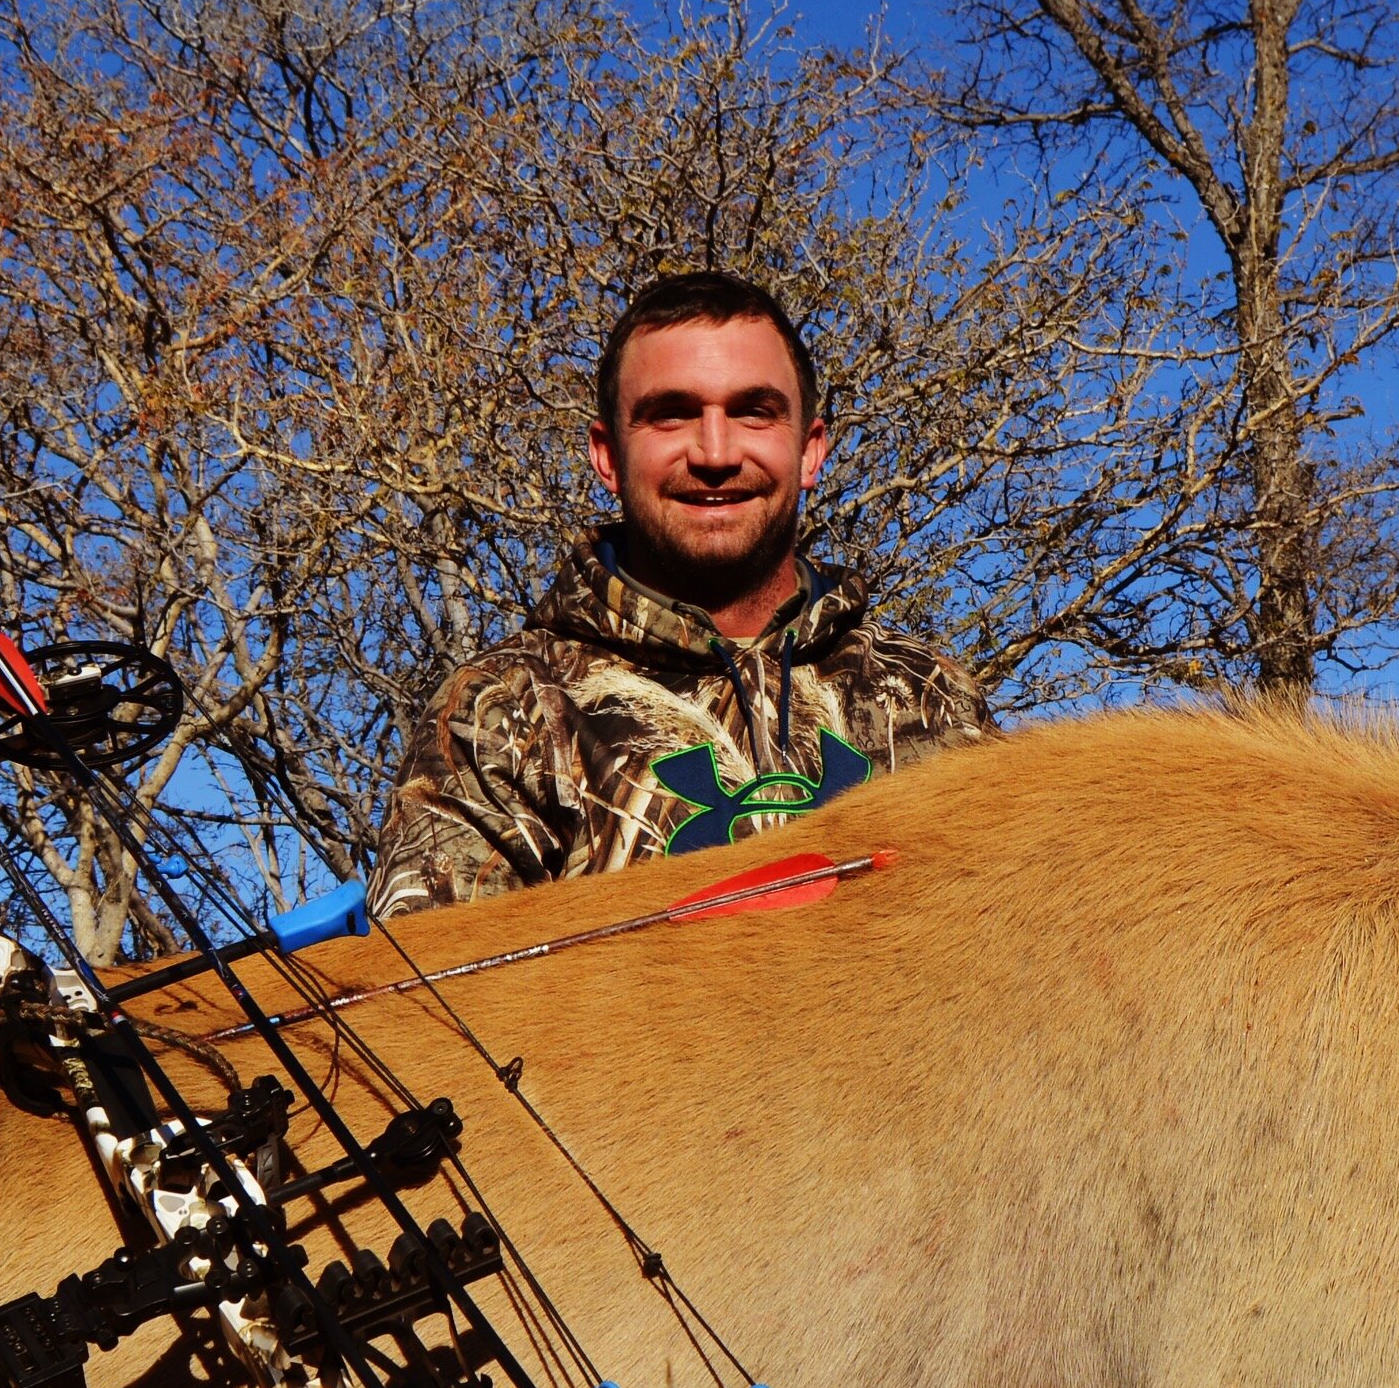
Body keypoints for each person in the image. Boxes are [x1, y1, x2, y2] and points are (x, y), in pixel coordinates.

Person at [364, 270, 993, 919]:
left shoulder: (932, 697)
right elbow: (432, 989)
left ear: (810, 451)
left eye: (753, 411)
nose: (715, 452)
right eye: (671, 415)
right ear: (608, 456)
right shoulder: (503, 711)